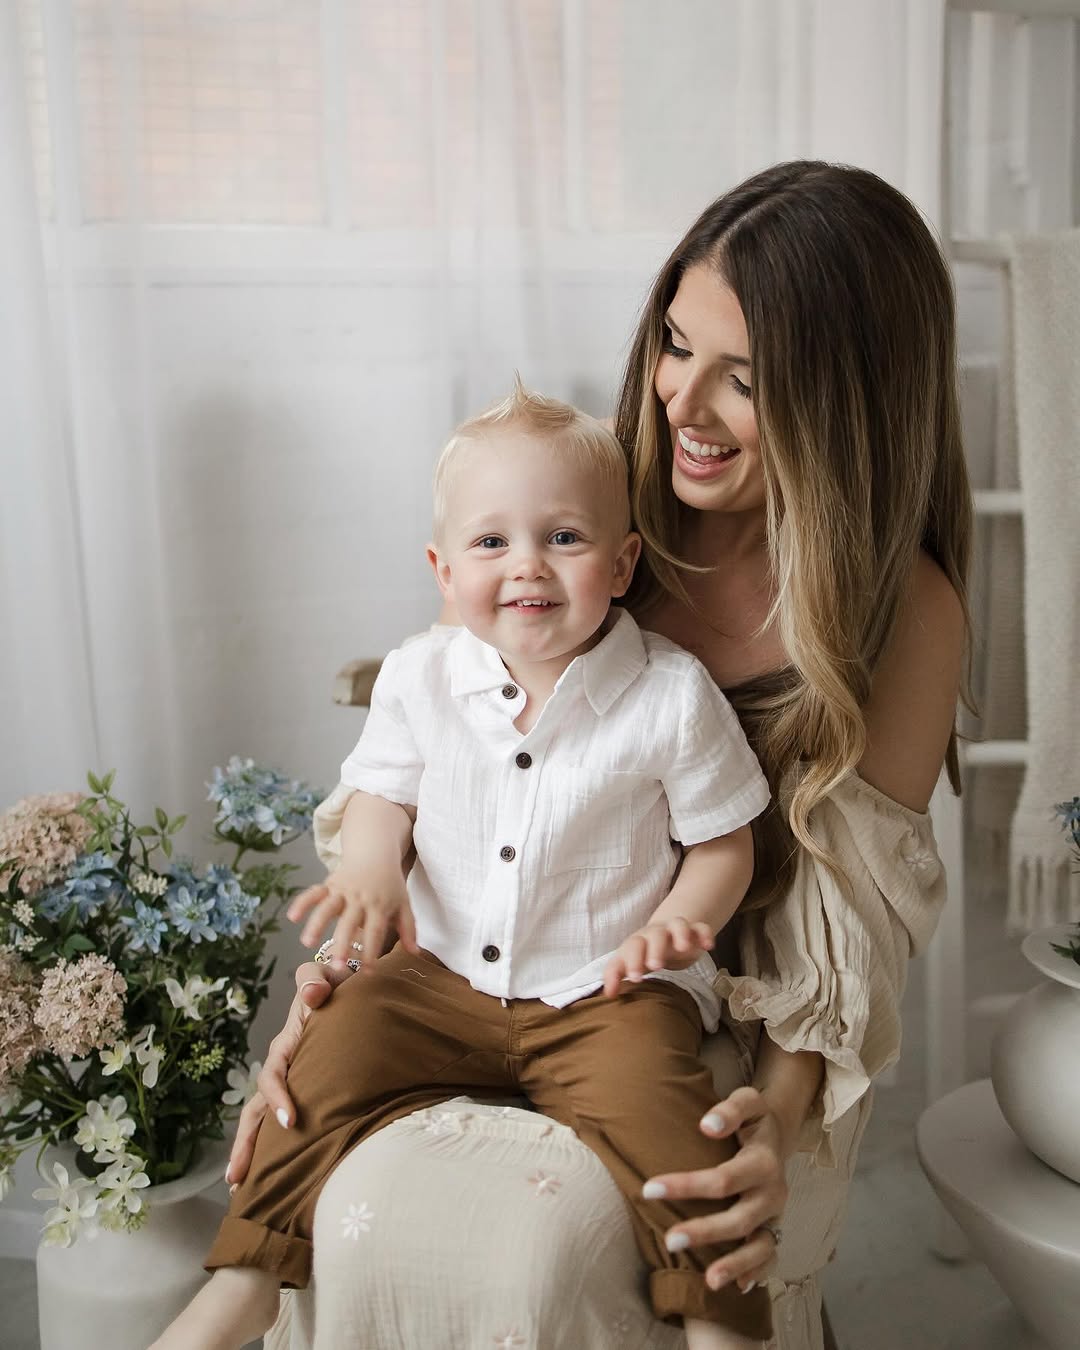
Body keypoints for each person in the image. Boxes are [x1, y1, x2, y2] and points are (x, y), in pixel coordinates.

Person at [227, 160, 969, 1350]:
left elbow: (846, 919)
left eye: (745, 380)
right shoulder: (585, 507)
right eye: (675, 344)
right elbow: (438, 770)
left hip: (714, 1013)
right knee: (354, 1200)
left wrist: (775, 1122)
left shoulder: (903, 611)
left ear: (848, 404)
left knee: (556, 1248)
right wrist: (335, 995)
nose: (681, 404)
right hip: (479, 973)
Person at [156, 385, 779, 1349]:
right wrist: (373, 868)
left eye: (563, 538)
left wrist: (679, 919)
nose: (528, 564)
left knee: (675, 1123)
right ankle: (248, 1275)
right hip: (437, 979)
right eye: (492, 542)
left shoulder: (668, 695)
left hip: (605, 991)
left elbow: (725, 839)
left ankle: (719, 1318)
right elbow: (382, 796)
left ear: (621, 564)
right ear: (444, 570)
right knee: (324, 1061)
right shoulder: (421, 675)